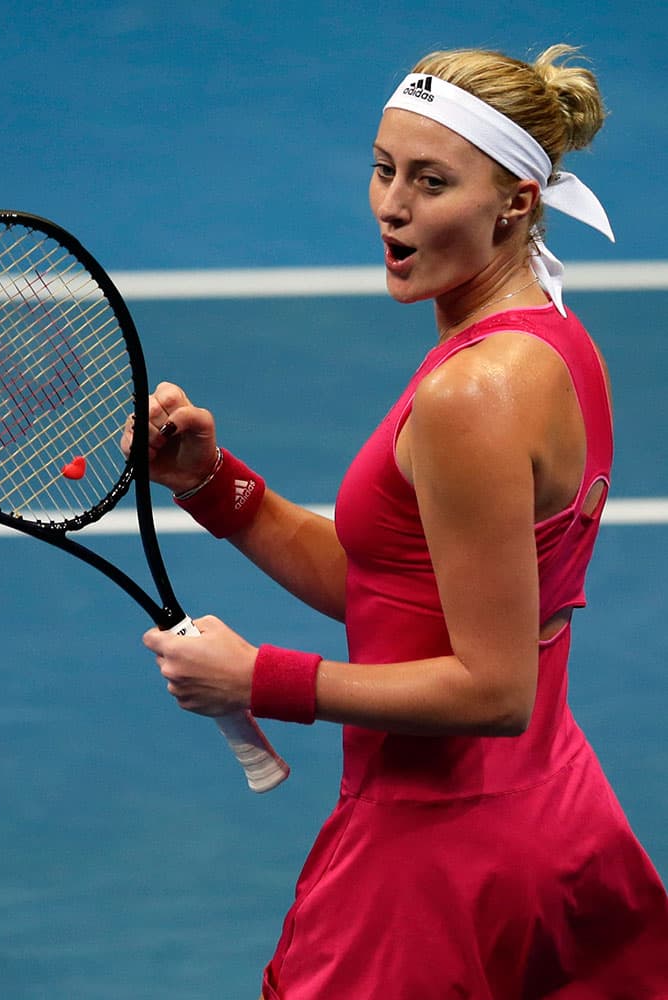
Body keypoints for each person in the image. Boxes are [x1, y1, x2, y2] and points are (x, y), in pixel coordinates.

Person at [122, 45, 668, 998]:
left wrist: (262, 678)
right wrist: (213, 485)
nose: (391, 206)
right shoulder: (556, 345)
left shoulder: (473, 394)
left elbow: (493, 690)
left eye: (431, 181)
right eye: (384, 169)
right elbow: (399, 594)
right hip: (552, 820)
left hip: (432, 860)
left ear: (517, 202)